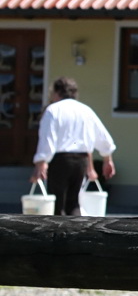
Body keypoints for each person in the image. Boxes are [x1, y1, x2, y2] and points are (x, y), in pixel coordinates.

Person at [32, 77, 115, 215]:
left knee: (58, 203)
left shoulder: (53, 110)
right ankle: (76, 235)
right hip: (81, 160)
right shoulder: (85, 110)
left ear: (57, 92)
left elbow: (47, 138)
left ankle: (59, 235)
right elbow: (102, 136)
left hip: (60, 160)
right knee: (74, 201)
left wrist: (41, 162)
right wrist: (108, 159)